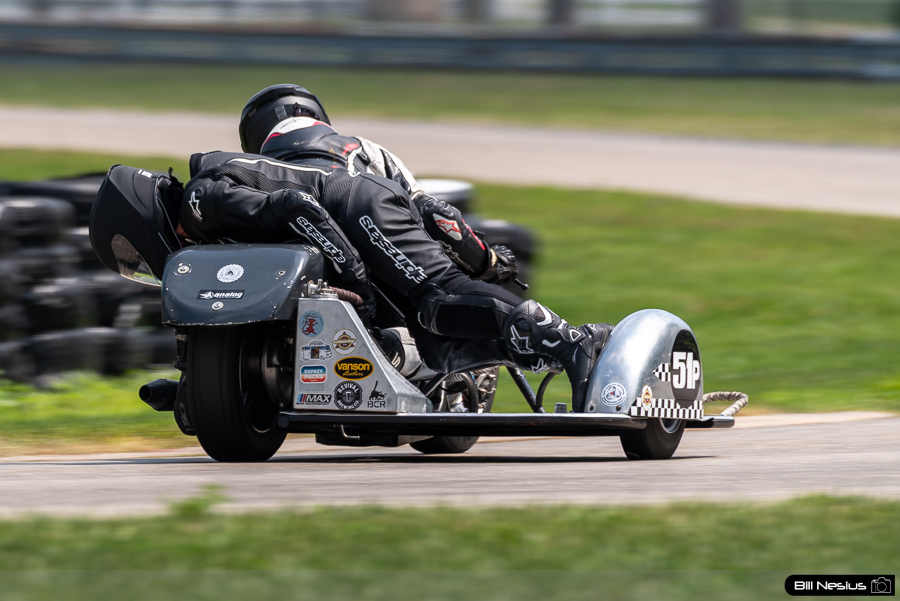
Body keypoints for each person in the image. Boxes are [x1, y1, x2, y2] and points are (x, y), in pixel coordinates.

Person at [177, 88, 613, 411]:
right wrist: (488, 261)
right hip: (353, 207)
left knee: (439, 300)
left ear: (255, 136)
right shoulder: (363, 150)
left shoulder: (226, 171)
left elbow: (293, 209)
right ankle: (531, 343)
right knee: (438, 341)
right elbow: (436, 213)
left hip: (351, 206)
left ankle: (571, 342)